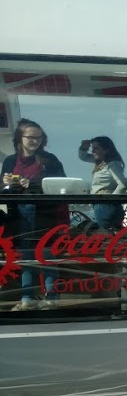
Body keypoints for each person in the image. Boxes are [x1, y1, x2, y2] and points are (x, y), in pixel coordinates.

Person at [1, 119, 66, 310]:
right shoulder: (10, 161)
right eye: (30, 137)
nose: (35, 141)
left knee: (47, 256)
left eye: (38, 137)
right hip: (19, 215)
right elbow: (4, 191)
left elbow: (61, 185)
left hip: (44, 214)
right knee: (25, 257)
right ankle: (27, 299)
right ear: (20, 138)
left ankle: (52, 298)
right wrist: (6, 183)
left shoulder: (50, 160)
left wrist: (32, 185)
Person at [78, 136, 127, 230]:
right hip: (102, 204)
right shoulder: (101, 162)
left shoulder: (112, 164)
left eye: (96, 148)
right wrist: (84, 147)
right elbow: (83, 156)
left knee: (104, 234)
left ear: (106, 150)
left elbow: (123, 184)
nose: (93, 151)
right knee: (107, 234)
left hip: (104, 204)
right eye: (92, 148)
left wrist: (110, 200)